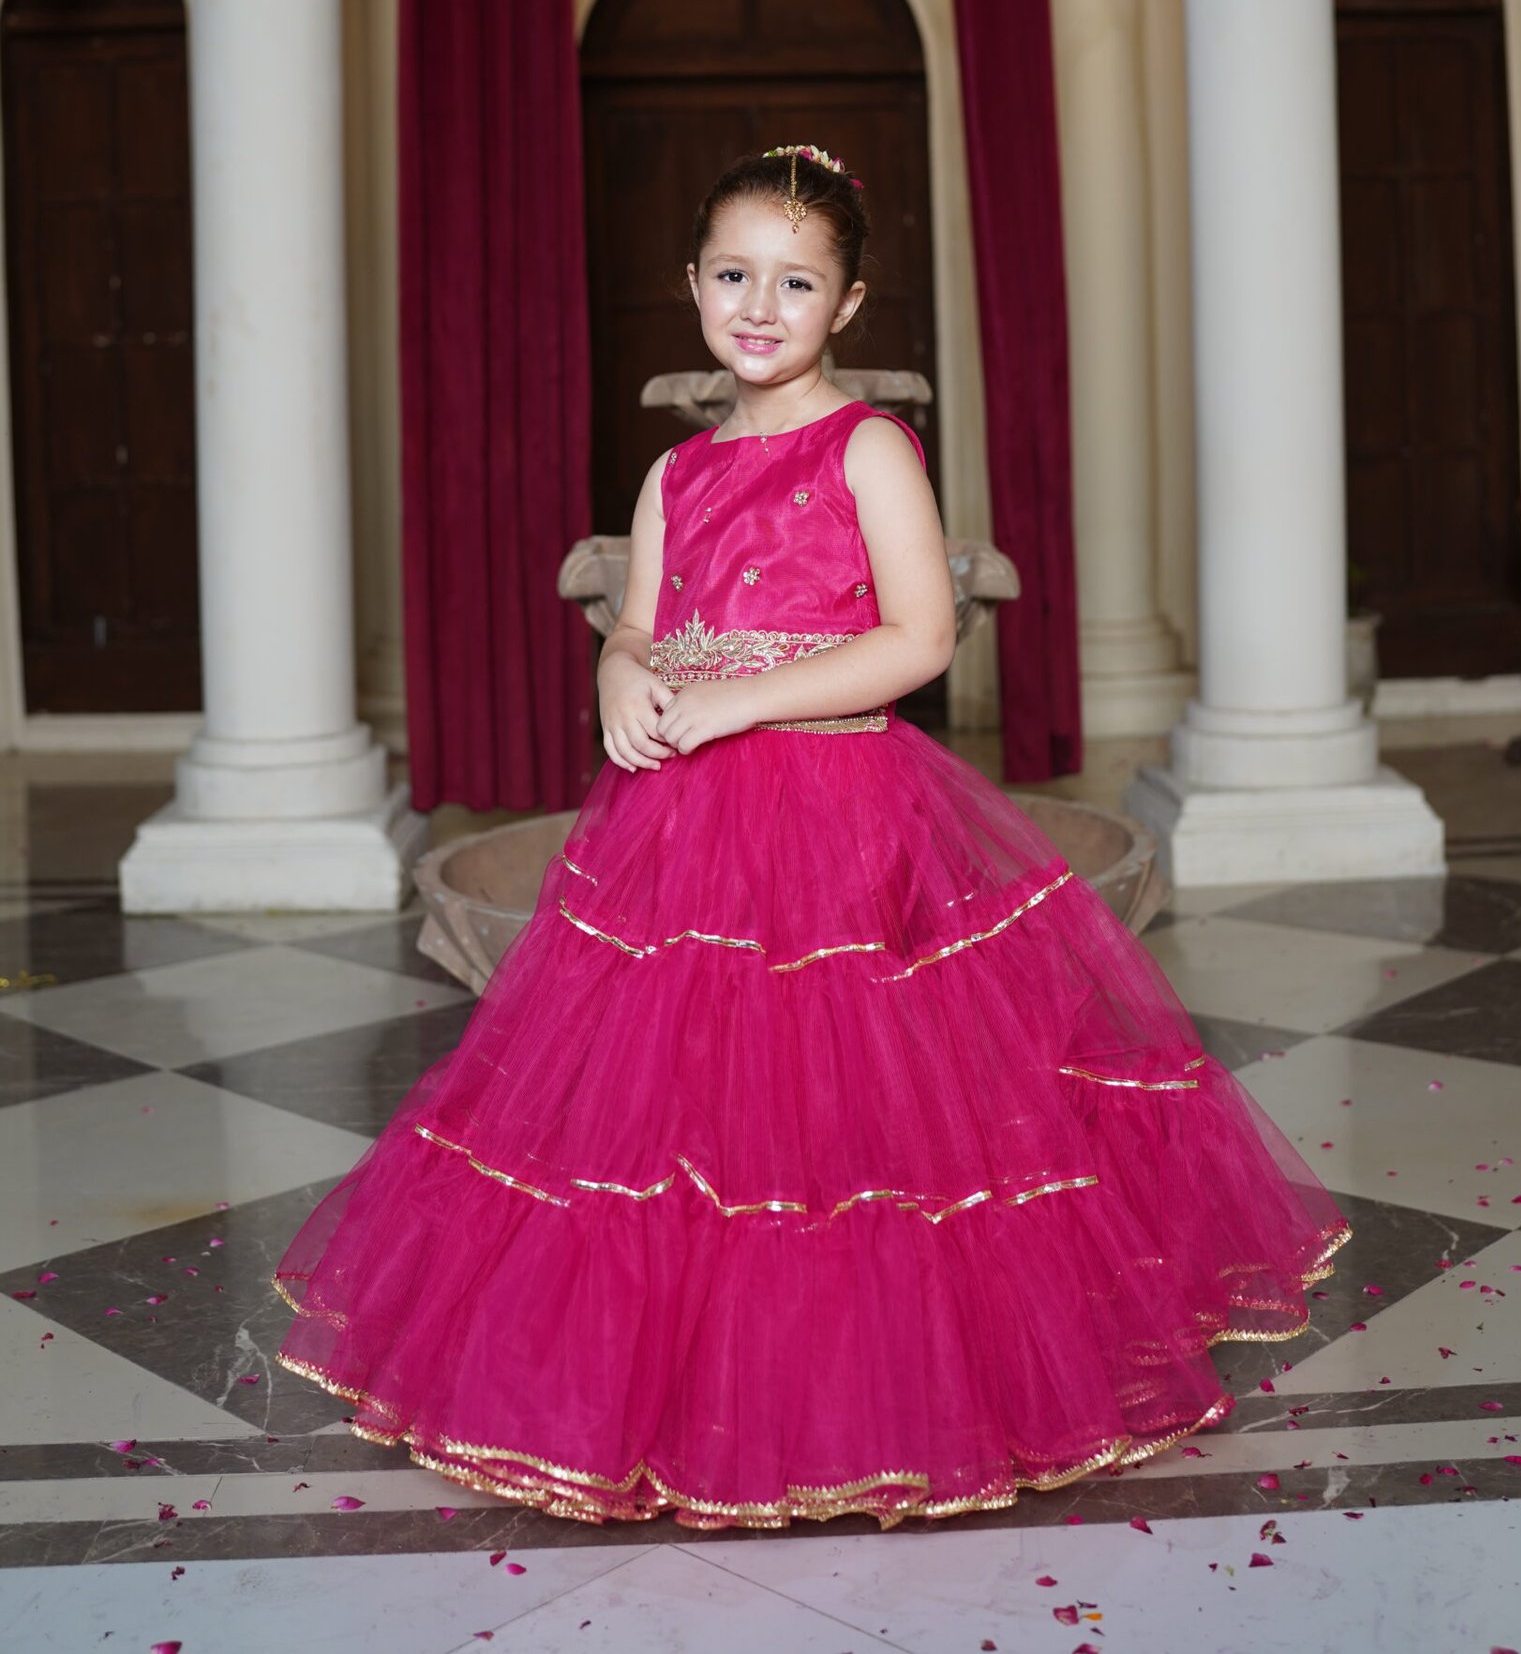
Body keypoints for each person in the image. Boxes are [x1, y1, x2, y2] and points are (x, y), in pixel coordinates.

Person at [275, 143, 1351, 1529]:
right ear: (694, 288)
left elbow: (913, 639)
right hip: (682, 830)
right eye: (734, 276)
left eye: (798, 282)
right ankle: (692, 1387)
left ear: (848, 305)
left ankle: (865, 1394)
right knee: (680, 1115)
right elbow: (647, 621)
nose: (761, 306)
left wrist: (735, 700)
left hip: (840, 812)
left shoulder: (870, 447)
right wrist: (622, 669)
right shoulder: (678, 471)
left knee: (859, 1116)